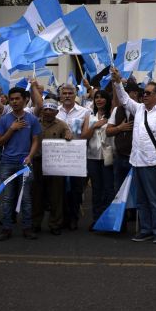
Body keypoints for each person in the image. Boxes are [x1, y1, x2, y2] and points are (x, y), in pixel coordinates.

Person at [111, 67, 156, 244]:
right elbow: (123, 98)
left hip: (153, 162)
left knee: (154, 199)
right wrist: (117, 82)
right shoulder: (139, 109)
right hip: (137, 162)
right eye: (144, 93)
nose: (144, 96)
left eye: (148, 93)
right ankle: (146, 229)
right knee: (141, 200)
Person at [0, 87, 42, 241]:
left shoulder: (32, 119)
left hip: (25, 163)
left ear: (25, 99)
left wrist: (30, 156)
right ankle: (7, 228)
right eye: (12, 99)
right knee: (7, 198)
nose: (14, 101)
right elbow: (0, 142)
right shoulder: (4, 120)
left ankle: (27, 228)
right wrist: (12, 129)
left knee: (26, 198)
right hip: (7, 163)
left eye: (17, 98)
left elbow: (36, 140)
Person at [53, 83, 91, 231]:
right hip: (58, 156)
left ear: (75, 95)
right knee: (60, 189)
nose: (67, 95)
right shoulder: (54, 111)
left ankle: (74, 218)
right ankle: (61, 218)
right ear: (60, 95)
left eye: (70, 93)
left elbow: (86, 134)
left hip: (76, 157)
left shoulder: (85, 112)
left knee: (76, 189)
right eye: (65, 93)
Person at [32, 99, 72, 235]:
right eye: (45, 109)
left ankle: (55, 224)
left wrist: (68, 135)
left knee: (56, 196)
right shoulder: (34, 123)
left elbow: (68, 134)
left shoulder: (62, 125)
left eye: (51, 109)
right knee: (37, 195)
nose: (48, 112)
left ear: (56, 111)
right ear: (42, 110)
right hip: (37, 163)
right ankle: (35, 223)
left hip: (55, 165)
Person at [81, 89, 114, 231]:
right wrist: (94, 126)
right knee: (96, 190)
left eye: (102, 97)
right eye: (96, 98)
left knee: (108, 189)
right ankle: (97, 219)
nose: (99, 100)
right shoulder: (90, 115)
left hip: (108, 156)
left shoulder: (112, 115)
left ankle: (108, 220)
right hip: (93, 157)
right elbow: (84, 136)